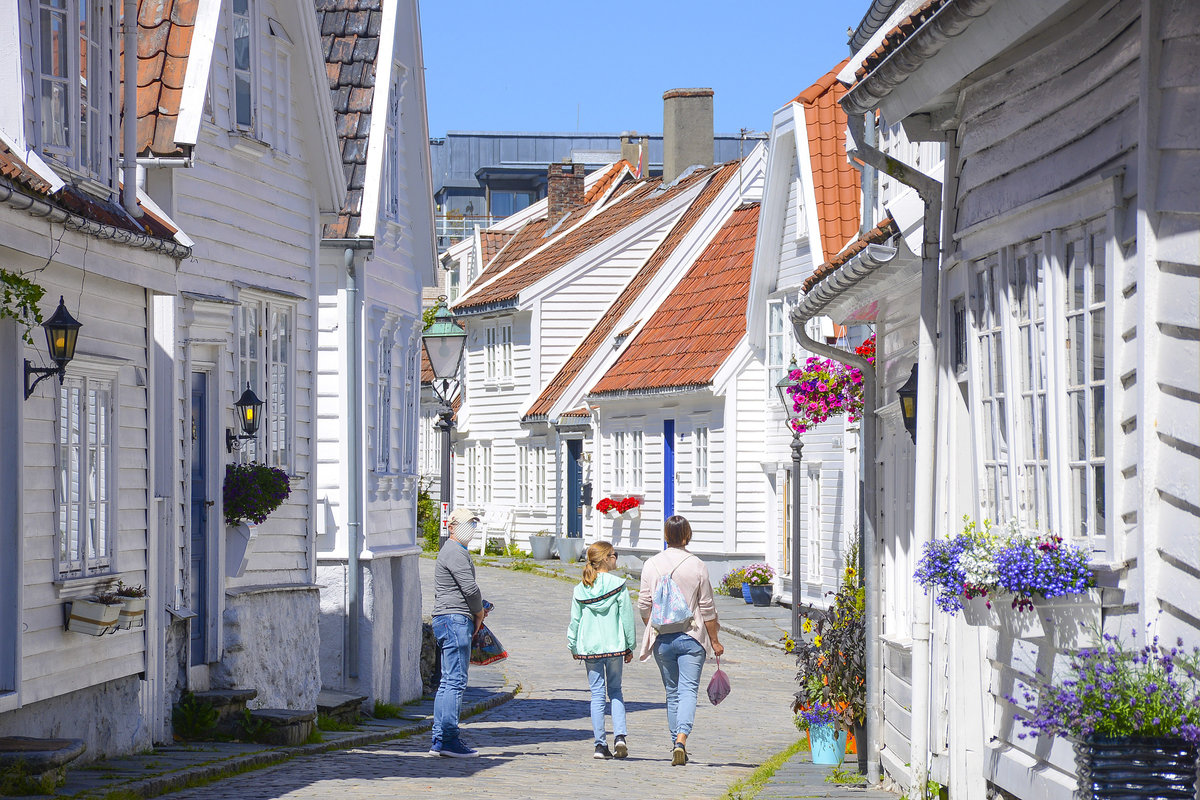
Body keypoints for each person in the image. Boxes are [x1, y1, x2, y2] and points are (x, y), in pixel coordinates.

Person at [637, 515, 723, 766]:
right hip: (692, 636)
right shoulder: (697, 565)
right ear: (687, 536)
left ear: (666, 536)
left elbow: (644, 604)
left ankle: (676, 741)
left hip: (663, 638)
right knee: (687, 691)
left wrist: (653, 627)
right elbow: (707, 608)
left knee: (672, 693)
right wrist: (715, 640)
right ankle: (681, 741)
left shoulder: (651, 564)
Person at [567, 541, 636, 760]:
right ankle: (620, 737)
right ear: (606, 558)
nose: (617, 558)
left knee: (597, 694)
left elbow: (575, 621)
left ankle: (600, 745)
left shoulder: (582, 588)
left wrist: (573, 645)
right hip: (615, 647)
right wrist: (629, 645)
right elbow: (627, 619)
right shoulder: (618, 584)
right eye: (615, 555)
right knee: (615, 691)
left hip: (591, 649)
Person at [429, 507, 487, 758]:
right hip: (454, 620)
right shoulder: (455, 551)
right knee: (455, 681)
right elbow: (470, 589)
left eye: (473, 524)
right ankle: (448, 739)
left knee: (447, 681)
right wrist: (479, 612)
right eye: (467, 524)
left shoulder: (454, 551)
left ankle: (440, 739)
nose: (470, 529)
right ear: (451, 527)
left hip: (449, 618)